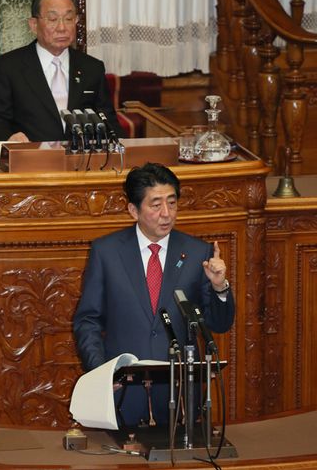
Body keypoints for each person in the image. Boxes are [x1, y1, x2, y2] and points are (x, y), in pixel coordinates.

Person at [73, 162, 235, 427]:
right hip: (123, 391)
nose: (166, 214)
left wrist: (220, 286)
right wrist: (101, 373)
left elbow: (218, 324)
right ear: (133, 210)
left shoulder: (197, 253)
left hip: (179, 393)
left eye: (172, 203)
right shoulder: (107, 252)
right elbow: (87, 320)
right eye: (156, 204)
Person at [0, 0, 123, 148]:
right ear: (34, 25)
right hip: (31, 161)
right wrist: (10, 139)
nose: (62, 27)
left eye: (69, 18)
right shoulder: (8, 67)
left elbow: (108, 120)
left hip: (83, 162)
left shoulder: (92, 68)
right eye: (53, 19)